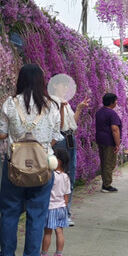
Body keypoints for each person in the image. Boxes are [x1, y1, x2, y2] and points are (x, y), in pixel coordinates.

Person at [0, 64, 62, 256]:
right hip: (42, 169)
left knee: (9, 214)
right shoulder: (52, 106)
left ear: (21, 80)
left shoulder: (10, 103)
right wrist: (39, 145)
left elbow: (2, 134)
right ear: (41, 81)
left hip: (14, 167)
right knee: (36, 216)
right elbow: (55, 136)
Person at [53, 94, 88, 226]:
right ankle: (56, 214)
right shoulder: (52, 102)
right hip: (60, 139)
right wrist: (61, 107)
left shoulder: (65, 103)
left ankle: (66, 213)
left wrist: (78, 108)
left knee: (69, 176)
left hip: (69, 138)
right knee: (58, 176)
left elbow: (71, 125)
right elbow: (59, 126)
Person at [41, 148, 71, 256]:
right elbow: (66, 196)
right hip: (61, 207)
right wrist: (64, 207)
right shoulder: (66, 177)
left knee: (48, 232)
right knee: (59, 232)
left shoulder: (50, 175)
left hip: (50, 207)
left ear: (57, 161)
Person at [95, 92, 122, 192]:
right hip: (109, 141)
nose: (116, 102)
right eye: (115, 100)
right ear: (111, 102)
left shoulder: (99, 112)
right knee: (109, 163)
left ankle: (105, 183)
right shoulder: (112, 113)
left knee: (104, 162)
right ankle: (106, 185)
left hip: (100, 140)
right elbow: (115, 129)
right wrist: (117, 144)